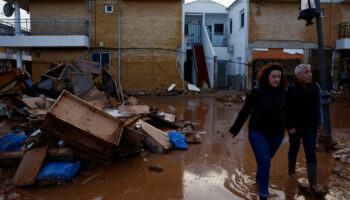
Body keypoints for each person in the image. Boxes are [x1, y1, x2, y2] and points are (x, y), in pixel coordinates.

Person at [229, 62, 287, 200]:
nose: (276, 79)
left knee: (264, 161)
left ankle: (259, 177)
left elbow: (289, 111)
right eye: (273, 76)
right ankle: (263, 195)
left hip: (277, 134)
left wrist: (292, 127)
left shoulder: (285, 91)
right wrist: (235, 129)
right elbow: (246, 110)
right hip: (258, 132)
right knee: (265, 162)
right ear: (267, 77)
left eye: (279, 77)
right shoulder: (257, 91)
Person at [286, 64, 327, 196]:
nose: (310, 74)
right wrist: (289, 126)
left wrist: (320, 123)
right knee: (294, 148)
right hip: (295, 127)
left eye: (310, 72)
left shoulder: (315, 87)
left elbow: (319, 106)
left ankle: (313, 184)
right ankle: (291, 171)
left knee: (310, 152)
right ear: (298, 76)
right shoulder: (290, 89)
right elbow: (286, 110)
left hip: (311, 127)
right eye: (306, 72)